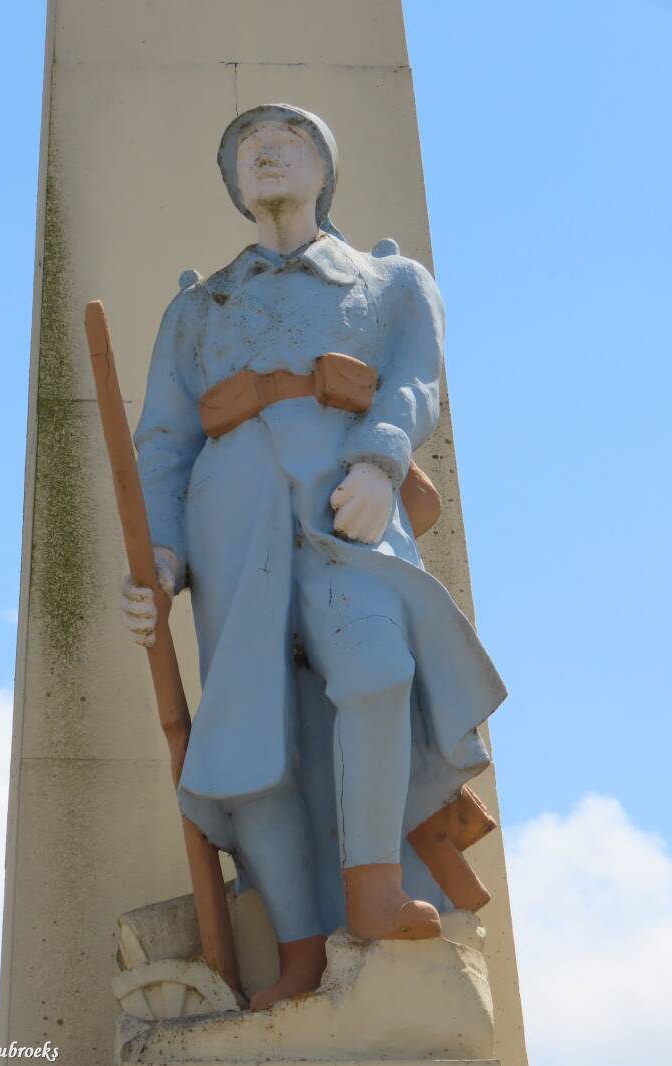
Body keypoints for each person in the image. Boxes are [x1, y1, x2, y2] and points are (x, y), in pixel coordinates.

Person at [121, 104, 506, 1009]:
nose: (265, 154)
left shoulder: (389, 281)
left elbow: (414, 379)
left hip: (349, 510)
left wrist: (378, 464)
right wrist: (163, 562)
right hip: (233, 524)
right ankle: (298, 948)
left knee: (377, 672)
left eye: (285, 142)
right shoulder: (197, 306)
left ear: (322, 170)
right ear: (233, 184)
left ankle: (372, 889)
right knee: (250, 736)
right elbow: (164, 443)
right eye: (247, 150)